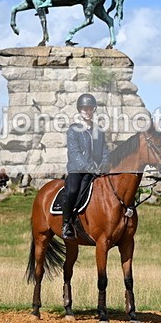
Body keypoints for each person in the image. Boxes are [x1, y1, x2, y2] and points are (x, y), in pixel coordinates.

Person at [60, 93, 110, 239]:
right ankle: (66, 223)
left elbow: (105, 150)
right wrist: (89, 167)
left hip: (95, 171)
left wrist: (104, 164)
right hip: (77, 169)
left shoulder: (98, 130)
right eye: (84, 109)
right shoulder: (73, 130)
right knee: (74, 190)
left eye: (90, 109)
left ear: (93, 110)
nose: (87, 111)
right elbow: (75, 154)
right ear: (79, 110)